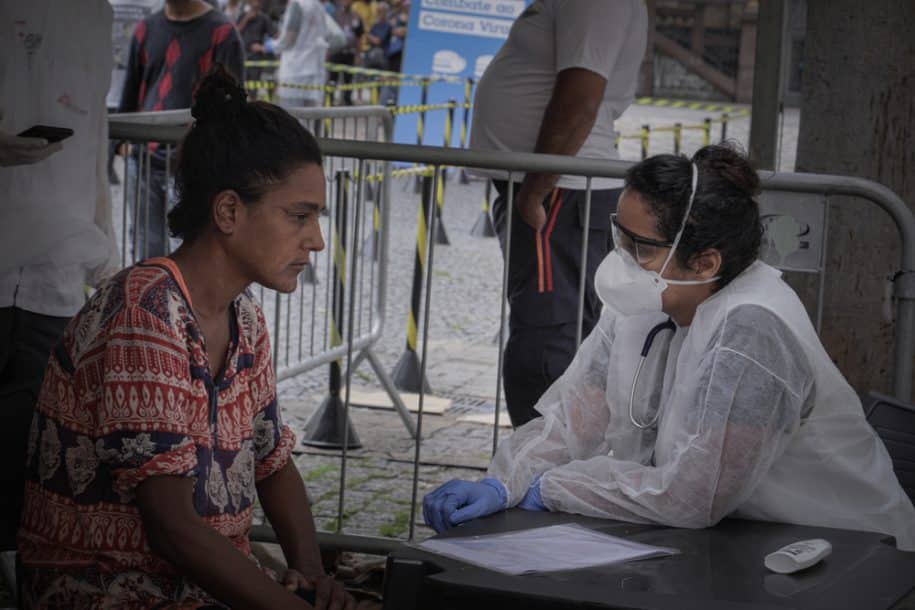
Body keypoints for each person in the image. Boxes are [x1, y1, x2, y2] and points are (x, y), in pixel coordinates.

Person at [423, 145, 915, 551]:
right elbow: (575, 419)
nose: (622, 259)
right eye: (619, 234)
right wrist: (504, 481)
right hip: (747, 541)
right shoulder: (648, 298)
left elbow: (694, 494)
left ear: (704, 263)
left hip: (847, 549)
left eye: (640, 246)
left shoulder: (754, 332)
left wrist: (548, 488)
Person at [18, 67, 358, 609]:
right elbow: (171, 527)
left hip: (192, 586)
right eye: (299, 216)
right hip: (105, 590)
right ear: (228, 211)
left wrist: (310, 574)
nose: (315, 240)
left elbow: (271, 459)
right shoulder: (145, 311)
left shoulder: (244, 317)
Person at [470, 1, 648, 427]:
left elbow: (580, 98)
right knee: (552, 335)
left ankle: (535, 473)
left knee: (547, 343)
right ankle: (542, 466)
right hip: (553, 189)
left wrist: (537, 187)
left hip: (557, 192)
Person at [0, 0, 121, 595]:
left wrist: (106, 250)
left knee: (29, 465)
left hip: (57, 274)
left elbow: (94, 135)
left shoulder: (96, 14)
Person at [118, 0, 245, 260]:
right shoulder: (145, 29)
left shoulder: (222, 33)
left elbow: (232, 108)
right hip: (143, 160)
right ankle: (149, 301)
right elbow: (130, 92)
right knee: (146, 252)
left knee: (194, 253)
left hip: (194, 165)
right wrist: (122, 144)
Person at [268, 0, 329, 108]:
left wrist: (274, 45)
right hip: (314, 70)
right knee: (311, 116)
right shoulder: (318, 6)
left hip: (294, 71)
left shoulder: (297, 4)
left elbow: (290, 36)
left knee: (292, 115)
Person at [328, 0, 365, 106]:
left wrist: (358, 54)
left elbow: (359, 37)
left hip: (350, 53)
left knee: (348, 79)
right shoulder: (334, 15)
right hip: (336, 52)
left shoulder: (356, 17)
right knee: (332, 78)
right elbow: (329, 34)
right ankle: (330, 100)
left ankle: (347, 101)